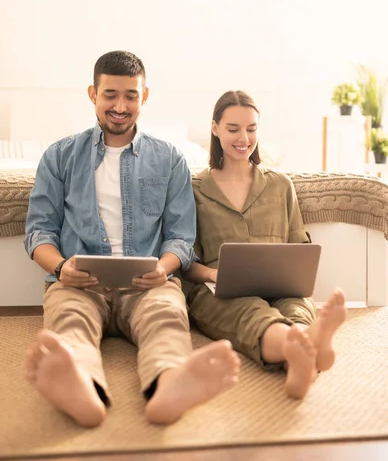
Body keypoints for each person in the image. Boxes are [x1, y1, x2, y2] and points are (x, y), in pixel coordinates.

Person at [24, 52, 240, 427]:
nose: (120, 106)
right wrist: (61, 268)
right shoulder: (59, 156)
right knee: (69, 321)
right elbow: (39, 232)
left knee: (167, 318)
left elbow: (180, 238)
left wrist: (163, 267)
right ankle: (82, 389)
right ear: (93, 93)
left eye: (130, 96)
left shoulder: (170, 158)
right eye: (110, 95)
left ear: (145, 96)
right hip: (79, 282)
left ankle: (170, 384)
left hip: (148, 282)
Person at [183, 90, 347, 399]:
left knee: (298, 306)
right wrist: (214, 275)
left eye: (251, 129)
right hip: (218, 291)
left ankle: (303, 351)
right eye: (233, 129)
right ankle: (304, 347)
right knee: (251, 313)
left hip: (280, 287)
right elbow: (185, 263)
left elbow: (299, 248)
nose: (243, 138)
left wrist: (297, 277)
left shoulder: (280, 185)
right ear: (215, 128)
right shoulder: (194, 189)